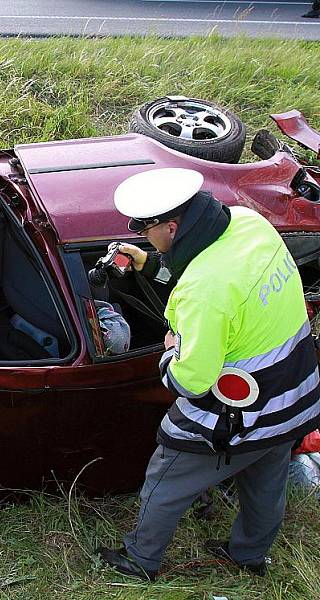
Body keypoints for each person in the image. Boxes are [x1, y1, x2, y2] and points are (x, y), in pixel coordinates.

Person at [97, 167, 320, 581]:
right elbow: (223, 276)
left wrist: (168, 354)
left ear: (172, 225)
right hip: (296, 393)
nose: (145, 237)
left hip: (243, 412)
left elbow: (191, 381)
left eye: (147, 230)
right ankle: (249, 555)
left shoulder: (203, 292)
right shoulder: (248, 223)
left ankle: (140, 559)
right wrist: (150, 267)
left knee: (166, 478)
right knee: (265, 481)